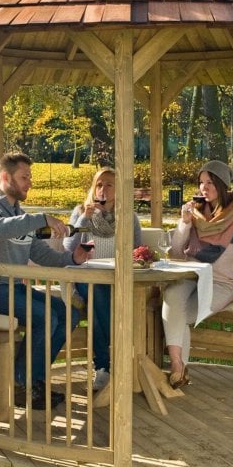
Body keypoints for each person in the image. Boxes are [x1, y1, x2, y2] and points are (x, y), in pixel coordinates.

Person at [0, 153, 93, 409]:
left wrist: (73, 257)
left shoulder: (21, 216)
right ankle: (21, 385)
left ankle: (31, 380)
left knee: (67, 314)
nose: (29, 183)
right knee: (45, 315)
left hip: (14, 289)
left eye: (30, 177)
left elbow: (42, 255)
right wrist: (42, 218)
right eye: (24, 177)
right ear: (4, 177)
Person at [163, 160, 233, 389]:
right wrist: (184, 223)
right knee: (172, 295)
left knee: (184, 313)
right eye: (201, 182)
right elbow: (176, 252)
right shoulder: (196, 213)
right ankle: (177, 366)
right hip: (190, 274)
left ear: (222, 184)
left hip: (223, 282)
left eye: (209, 182)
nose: (203, 188)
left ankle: (179, 368)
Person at [63, 167, 143, 391]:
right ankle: (112, 361)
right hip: (87, 277)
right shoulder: (81, 212)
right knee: (98, 291)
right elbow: (67, 248)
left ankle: (109, 364)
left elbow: (137, 251)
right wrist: (83, 219)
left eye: (109, 185)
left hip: (119, 278)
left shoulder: (128, 216)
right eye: (99, 184)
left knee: (103, 302)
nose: (103, 189)